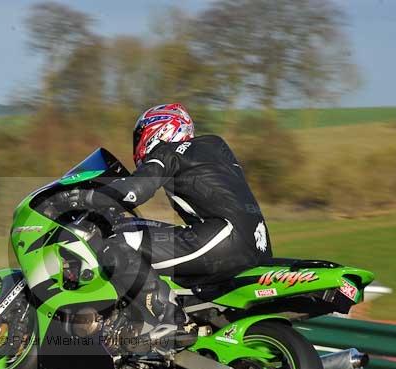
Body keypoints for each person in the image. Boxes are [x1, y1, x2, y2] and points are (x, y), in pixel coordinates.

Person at [69, 103, 273, 350]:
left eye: (139, 135)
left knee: (119, 239)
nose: (138, 143)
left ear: (159, 129)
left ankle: (168, 318)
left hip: (223, 237)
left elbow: (136, 189)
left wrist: (89, 196)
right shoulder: (215, 148)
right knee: (140, 233)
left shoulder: (169, 151)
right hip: (257, 246)